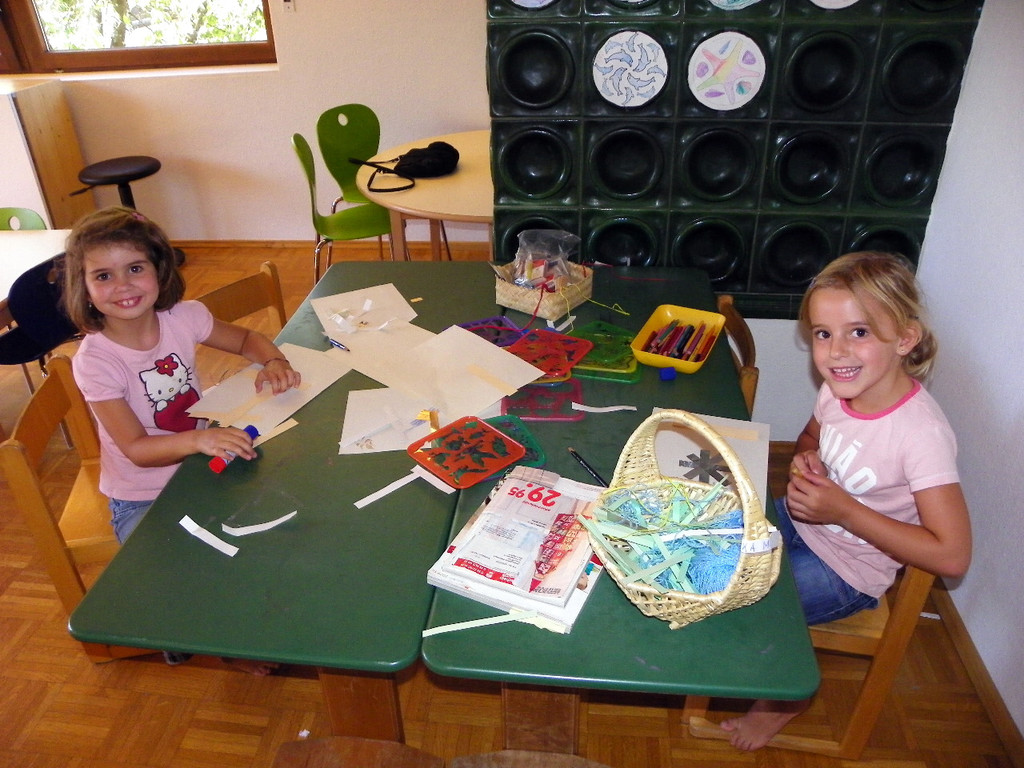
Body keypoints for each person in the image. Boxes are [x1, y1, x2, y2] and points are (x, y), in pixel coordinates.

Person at [719, 251, 972, 751]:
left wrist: (845, 511)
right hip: (800, 523)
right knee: (708, 559)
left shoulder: (921, 434)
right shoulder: (838, 391)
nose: (836, 352)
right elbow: (811, 437)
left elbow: (953, 555)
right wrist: (806, 459)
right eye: (822, 333)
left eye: (859, 332)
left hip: (849, 571)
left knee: (746, 607)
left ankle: (783, 702)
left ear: (905, 338)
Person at [61, 206, 301, 672]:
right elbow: (136, 449)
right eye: (103, 276)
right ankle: (198, 639)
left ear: (159, 269)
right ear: (84, 288)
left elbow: (247, 340)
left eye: (135, 268)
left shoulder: (183, 316)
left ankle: (229, 623)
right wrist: (199, 441)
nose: (123, 286)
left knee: (262, 533)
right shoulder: (95, 361)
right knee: (185, 573)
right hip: (142, 497)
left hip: (199, 469)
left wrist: (273, 360)